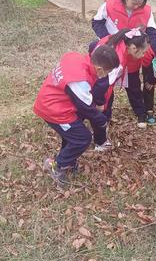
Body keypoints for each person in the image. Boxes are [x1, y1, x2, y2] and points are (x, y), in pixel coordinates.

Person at [33, 45, 120, 185]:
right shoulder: (80, 80)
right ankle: (57, 165)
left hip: (55, 101)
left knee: (73, 133)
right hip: (54, 110)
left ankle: (69, 163)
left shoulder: (76, 57)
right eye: (107, 72)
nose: (107, 75)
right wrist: (102, 121)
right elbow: (86, 108)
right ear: (100, 69)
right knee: (82, 138)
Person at [91, 0, 156, 128]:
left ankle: (140, 113)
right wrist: (109, 40)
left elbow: (153, 34)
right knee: (108, 87)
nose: (137, 6)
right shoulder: (109, 5)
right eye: (134, 3)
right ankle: (105, 116)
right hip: (111, 57)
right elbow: (96, 22)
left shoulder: (147, 11)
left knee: (133, 87)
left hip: (133, 58)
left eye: (141, 3)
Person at [91, 28, 150, 126]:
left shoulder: (116, 40)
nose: (143, 55)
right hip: (96, 83)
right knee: (102, 109)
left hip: (96, 77)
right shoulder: (117, 60)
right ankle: (102, 127)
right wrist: (100, 103)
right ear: (134, 47)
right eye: (143, 52)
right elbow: (102, 85)